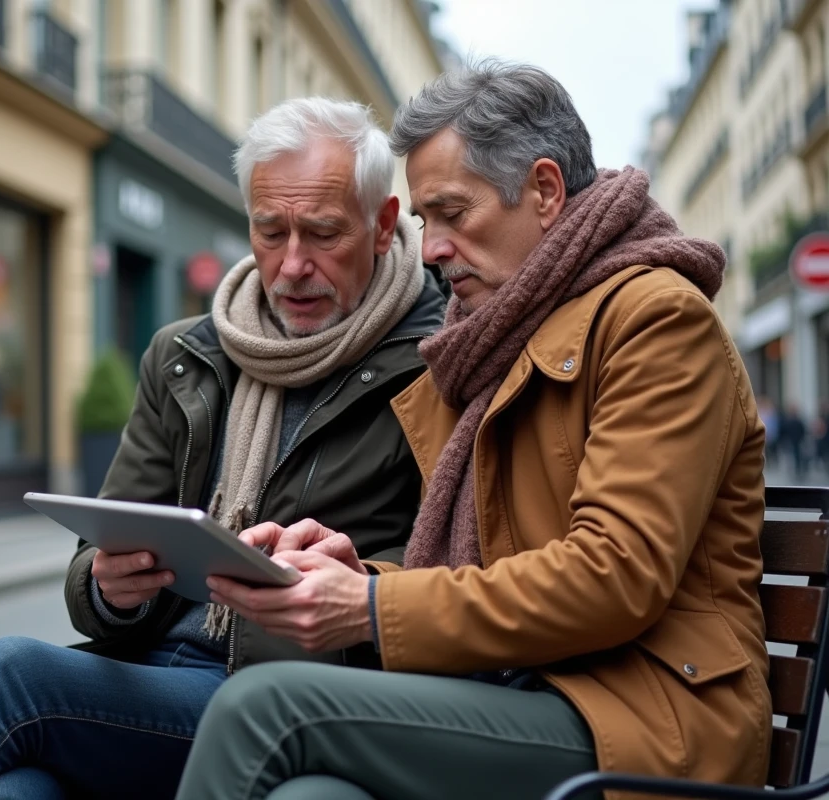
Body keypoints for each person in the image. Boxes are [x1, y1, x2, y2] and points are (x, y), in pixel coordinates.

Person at [174, 59, 770, 800]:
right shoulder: (497, 335)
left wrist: (366, 609)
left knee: (264, 710)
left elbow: (614, 576)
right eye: (426, 221)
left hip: (648, 721)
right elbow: (502, 559)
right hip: (534, 690)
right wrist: (363, 579)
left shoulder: (655, 320)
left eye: (454, 213)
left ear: (546, 192)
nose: (430, 249)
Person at [0, 97, 447, 799]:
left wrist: (360, 586)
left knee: (15, 675)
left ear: (382, 226)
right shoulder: (186, 355)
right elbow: (94, 563)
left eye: (321, 233)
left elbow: (463, 562)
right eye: (268, 230)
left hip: (294, 696)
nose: (290, 265)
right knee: (11, 795)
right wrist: (110, 589)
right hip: (155, 673)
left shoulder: (438, 360)